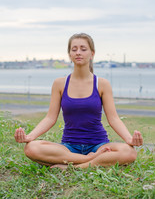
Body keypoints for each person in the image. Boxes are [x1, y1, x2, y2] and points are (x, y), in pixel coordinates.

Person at [15, 33, 143, 169]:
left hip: (99, 145)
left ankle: (75, 167)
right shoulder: (59, 84)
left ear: (92, 54)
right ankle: (91, 160)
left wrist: (129, 139)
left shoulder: (102, 84)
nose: (78, 52)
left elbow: (114, 119)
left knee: (129, 152)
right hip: (69, 147)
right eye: (74, 49)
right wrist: (30, 137)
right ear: (69, 54)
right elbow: (50, 118)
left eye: (83, 49)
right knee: (31, 148)